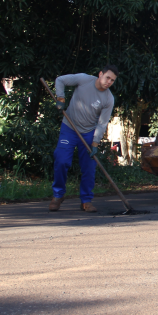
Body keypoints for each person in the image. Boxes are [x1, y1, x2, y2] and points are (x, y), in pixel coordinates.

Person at [49, 65, 118, 212]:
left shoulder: (108, 99)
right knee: (61, 160)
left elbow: (102, 123)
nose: (109, 82)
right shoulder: (83, 79)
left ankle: (86, 200)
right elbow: (60, 80)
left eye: (112, 80)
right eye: (107, 78)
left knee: (89, 167)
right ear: (100, 74)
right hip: (69, 128)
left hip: (88, 133)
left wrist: (95, 143)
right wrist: (61, 97)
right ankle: (58, 195)